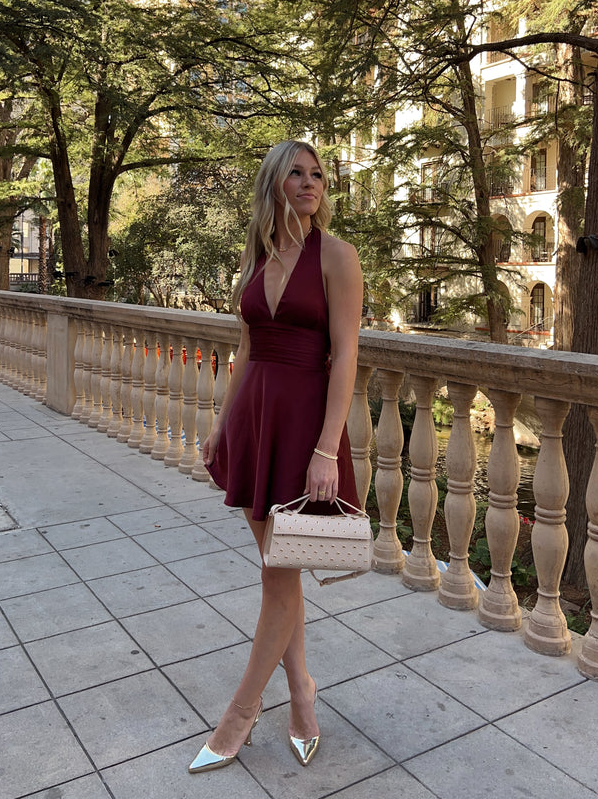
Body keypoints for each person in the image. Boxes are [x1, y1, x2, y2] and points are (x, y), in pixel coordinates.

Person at [188, 139, 363, 773]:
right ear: (274, 183)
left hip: (303, 428)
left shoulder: (338, 258)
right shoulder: (258, 259)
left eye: (318, 174)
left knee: (278, 577)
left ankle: (239, 713)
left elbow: (345, 356)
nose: (311, 182)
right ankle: (302, 697)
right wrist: (221, 423)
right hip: (256, 421)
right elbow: (245, 349)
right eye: (297, 172)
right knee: (279, 572)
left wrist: (325, 449)